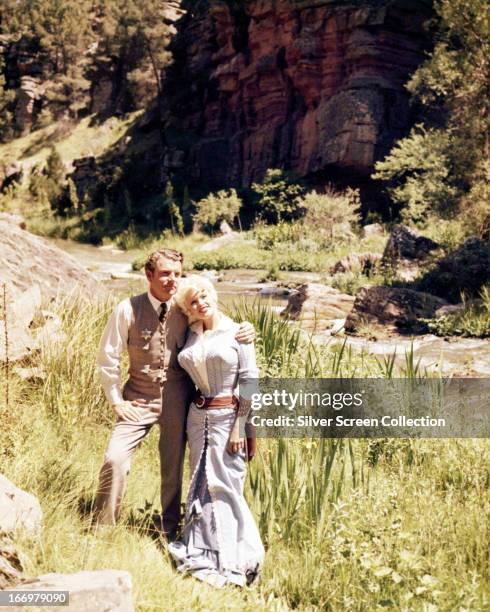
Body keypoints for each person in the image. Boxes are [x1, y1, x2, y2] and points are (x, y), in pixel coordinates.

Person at [93, 248, 254, 538]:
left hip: (178, 402)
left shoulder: (186, 310)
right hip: (137, 399)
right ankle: (103, 528)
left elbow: (217, 324)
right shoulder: (127, 309)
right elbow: (108, 358)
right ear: (149, 275)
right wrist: (116, 401)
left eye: (177, 274)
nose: (172, 280)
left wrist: (246, 329)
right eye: (165, 274)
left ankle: (169, 527)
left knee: (173, 468)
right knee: (114, 458)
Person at [168, 275, 264, 588]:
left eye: (205, 296)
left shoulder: (239, 331)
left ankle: (237, 559)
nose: (201, 303)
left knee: (227, 486)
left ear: (214, 294)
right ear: (188, 308)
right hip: (197, 418)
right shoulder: (190, 333)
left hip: (228, 417)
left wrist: (241, 425)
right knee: (201, 484)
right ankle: (203, 551)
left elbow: (250, 382)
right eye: (194, 301)